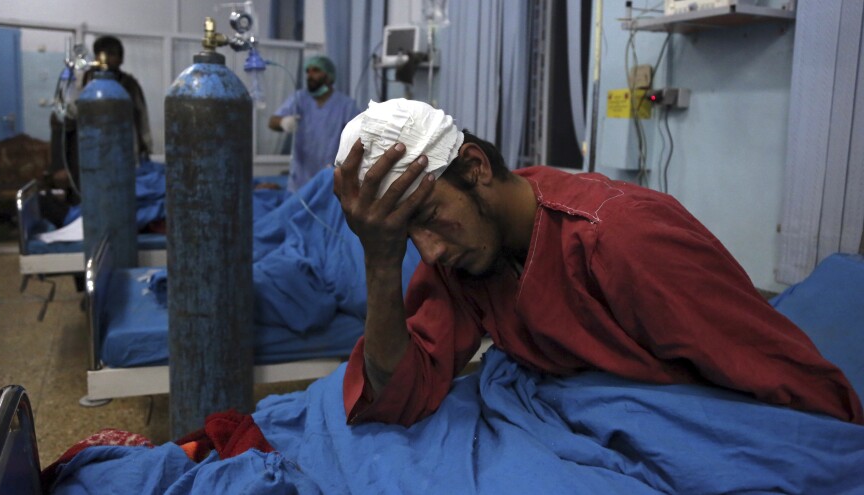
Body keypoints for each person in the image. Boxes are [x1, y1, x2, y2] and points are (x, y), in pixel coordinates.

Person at [332, 98, 864, 427]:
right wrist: (381, 261)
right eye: (407, 238)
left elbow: (778, 371)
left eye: (428, 217)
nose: (431, 252)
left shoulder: (624, 239)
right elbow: (402, 389)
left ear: (474, 167)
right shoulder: (464, 249)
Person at [47, 35, 152, 214]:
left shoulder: (129, 85)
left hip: (120, 157)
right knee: (85, 205)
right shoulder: (82, 81)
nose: (109, 59)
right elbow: (61, 123)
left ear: (121, 58)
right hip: (83, 157)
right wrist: (59, 166)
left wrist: (144, 153)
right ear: (96, 56)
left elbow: (142, 123)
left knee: (118, 206)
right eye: (104, 54)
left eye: (114, 54)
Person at [269, 55, 360, 193]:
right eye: (308, 71)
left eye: (316, 70)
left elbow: (359, 137)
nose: (310, 75)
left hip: (330, 179)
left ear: (329, 76)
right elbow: (272, 121)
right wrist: (283, 122)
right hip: (300, 180)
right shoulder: (300, 99)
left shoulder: (346, 105)